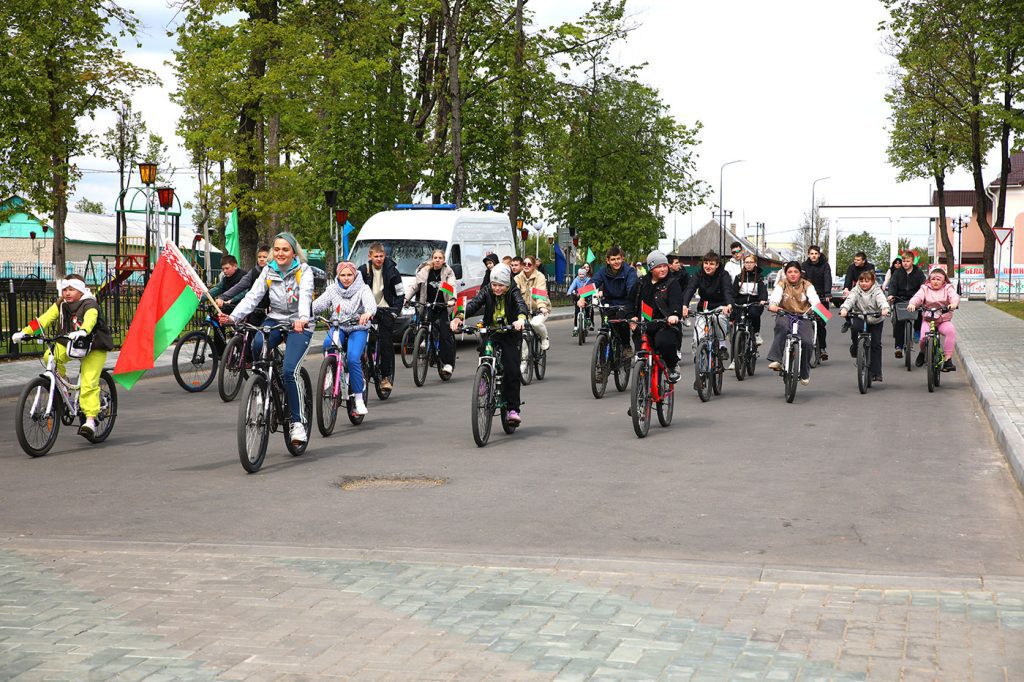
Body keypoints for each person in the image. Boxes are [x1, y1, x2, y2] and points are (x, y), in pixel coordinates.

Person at [222, 232, 314, 445]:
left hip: (299, 323)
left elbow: (306, 295)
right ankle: (268, 385)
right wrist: (233, 317)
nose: (280, 253)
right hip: (274, 319)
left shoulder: (304, 271)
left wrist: (302, 319)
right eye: (277, 249)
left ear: (293, 252)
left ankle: (298, 422)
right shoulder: (268, 270)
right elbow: (252, 297)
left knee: (291, 371)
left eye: (285, 250)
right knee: (257, 346)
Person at [12, 274, 114, 438]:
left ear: (80, 290)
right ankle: (63, 388)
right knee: (49, 357)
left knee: (88, 382)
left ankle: (89, 420)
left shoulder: (90, 304)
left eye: (71, 289)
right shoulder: (61, 304)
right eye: (64, 289)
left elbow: (90, 319)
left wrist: (83, 331)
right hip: (70, 343)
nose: (67, 293)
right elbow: (42, 320)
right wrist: (25, 332)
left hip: (94, 346)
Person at [450, 264, 528, 423]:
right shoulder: (487, 290)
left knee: (512, 370)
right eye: (494, 285)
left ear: (507, 284)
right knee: (485, 354)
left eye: (501, 285)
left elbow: (521, 304)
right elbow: (474, 304)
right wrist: (459, 317)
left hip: (510, 333)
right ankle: (484, 377)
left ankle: (512, 409)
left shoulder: (513, 290)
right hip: (491, 331)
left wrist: (520, 319)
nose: (497, 288)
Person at [314, 261, 377, 416]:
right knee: (328, 344)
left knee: (353, 358)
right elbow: (317, 305)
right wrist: (304, 313)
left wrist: (367, 313)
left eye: (349, 275)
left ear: (354, 275)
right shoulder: (332, 289)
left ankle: (358, 399)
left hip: (358, 328)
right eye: (343, 275)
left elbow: (370, 304)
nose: (346, 278)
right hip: (339, 326)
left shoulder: (363, 288)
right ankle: (331, 373)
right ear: (338, 275)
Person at [630, 251, 683, 383]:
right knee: (640, 351)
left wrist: (674, 315)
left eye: (665, 266)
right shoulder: (641, 283)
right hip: (645, 325)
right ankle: (640, 393)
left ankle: (672, 366)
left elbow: (676, 301)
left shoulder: (672, 283)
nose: (663, 269)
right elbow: (630, 302)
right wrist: (631, 317)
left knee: (664, 342)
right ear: (651, 268)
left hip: (665, 324)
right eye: (659, 266)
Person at [766, 261, 821, 386]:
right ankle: (777, 359)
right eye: (789, 272)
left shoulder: (807, 285)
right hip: (785, 314)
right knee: (781, 327)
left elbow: (815, 300)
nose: (793, 274)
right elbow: (775, 298)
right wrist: (773, 305)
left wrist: (818, 310)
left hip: (803, 317)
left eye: (795, 272)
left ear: (800, 273)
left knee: (807, 342)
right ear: (785, 273)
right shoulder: (782, 284)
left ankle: (805, 372)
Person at [358, 242, 403, 391]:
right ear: (370, 256)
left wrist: (395, 311)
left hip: (386, 310)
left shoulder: (393, 272)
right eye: (376, 256)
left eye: (381, 256)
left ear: (385, 256)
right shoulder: (363, 271)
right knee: (359, 337)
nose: (378, 259)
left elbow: (400, 294)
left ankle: (385, 377)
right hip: (367, 311)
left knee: (385, 342)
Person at [405, 249, 457, 378]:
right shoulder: (425, 272)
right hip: (427, 306)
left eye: (440, 258)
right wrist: (406, 298)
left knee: (445, 334)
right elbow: (414, 286)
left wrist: (452, 300)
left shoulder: (447, 272)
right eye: (435, 257)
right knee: (424, 326)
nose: (437, 260)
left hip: (442, 307)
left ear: (444, 260)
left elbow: (452, 287)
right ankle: (425, 341)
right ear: (432, 259)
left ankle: (447, 364)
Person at [681, 250, 734, 365]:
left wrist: (729, 304)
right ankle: (699, 367)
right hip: (703, 308)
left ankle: (722, 345)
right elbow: (690, 289)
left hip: (720, 306)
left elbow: (727, 290)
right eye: (706, 263)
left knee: (718, 318)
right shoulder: (698, 274)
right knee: (697, 340)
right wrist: (684, 305)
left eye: (711, 264)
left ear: (717, 265)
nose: (708, 266)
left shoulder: (723, 275)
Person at [587, 246, 639, 358]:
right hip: (608, 303)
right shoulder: (603, 271)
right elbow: (593, 283)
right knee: (606, 327)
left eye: (618, 259)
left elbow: (632, 288)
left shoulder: (629, 271)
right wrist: (582, 297)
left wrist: (631, 304)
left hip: (624, 302)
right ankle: (602, 362)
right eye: (613, 259)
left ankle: (626, 346)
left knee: (622, 323)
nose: (616, 262)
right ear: (608, 260)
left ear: (622, 258)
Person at [839, 270, 890, 382]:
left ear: (872, 282)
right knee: (855, 327)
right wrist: (844, 308)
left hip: (876, 318)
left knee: (876, 344)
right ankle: (856, 346)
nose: (864, 283)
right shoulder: (856, 290)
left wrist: (885, 309)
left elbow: (882, 300)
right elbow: (850, 299)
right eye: (861, 281)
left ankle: (876, 372)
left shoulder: (877, 290)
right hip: (860, 316)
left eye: (867, 281)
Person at [907, 268, 960, 372]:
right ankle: (922, 353)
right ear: (929, 280)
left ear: (944, 280)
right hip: (928, 319)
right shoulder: (924, 288)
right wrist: (912, 304)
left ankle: (947, 360)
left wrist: (954, 303)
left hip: (943, 320)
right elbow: (918, 297)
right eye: (933, 279)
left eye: (938, 279)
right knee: (923, 338)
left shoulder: (948, 288)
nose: (935, 281)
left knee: (951, 331)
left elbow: (954, 296)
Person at [729, 253, 768, 369]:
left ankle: (756, 334)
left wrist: (762, 300)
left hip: (754, 303)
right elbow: (733, 292)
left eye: (751, 262)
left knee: (754, 314)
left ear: (755, 263)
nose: (749, 264)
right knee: (736, 331)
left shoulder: (760, 277)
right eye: (746, 262)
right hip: (740, 303)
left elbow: (763, 291)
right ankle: (734, 360)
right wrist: (731, 302)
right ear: (744, 264)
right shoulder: (738, 277)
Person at [886, 252, 925, 358]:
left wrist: (923, 296)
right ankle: (898, 346)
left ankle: (917, 330)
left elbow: (923, 286)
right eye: (903, 261)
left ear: (912, 261)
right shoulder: (897, 273)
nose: (905, 263)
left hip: (915, 298)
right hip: (900, 299)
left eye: (908, 261)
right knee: (898, 323)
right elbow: (892, 285)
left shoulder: (919, 272)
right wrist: (891, 295)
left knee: (920, 312)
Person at [801, 245, 833, 361]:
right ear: (808, 255)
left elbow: (827, 278)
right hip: (808, 296)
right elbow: (802, 280)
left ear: (819, 255)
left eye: (816, 253)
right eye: (811, 254)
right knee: (804, 322)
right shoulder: (804, 266)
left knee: (821, 324)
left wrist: (828, 293)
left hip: (822, 296)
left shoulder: (825, 265)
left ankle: (823, 349)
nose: (813, 256)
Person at [515, 256, 551, 351]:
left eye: (529, 264)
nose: (526, 266)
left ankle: (544, 338)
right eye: (524, 264)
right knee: (522, 333)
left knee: (535, 323)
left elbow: (540, 293)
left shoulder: (540, 277)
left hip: (539, 309)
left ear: (534, 266)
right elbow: (514, 294)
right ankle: (524, 361)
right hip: (524, 310)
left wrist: (542, 307)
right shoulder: (517, 278)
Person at [842, 252, 875, 333]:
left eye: (858, 260)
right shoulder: (851, 267)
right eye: (855, 259)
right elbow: (848, 278)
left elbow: (872, 279)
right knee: (847, 300)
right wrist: (846, 289)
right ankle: (848, 321)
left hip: (869, 288)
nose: (855, 261)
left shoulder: (870, 266)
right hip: (856, 288)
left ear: (863, 261)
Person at [566, 268, 594, 336]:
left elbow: (592, 288)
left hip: (587, 296)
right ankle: (575, 327)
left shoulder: (588, 280)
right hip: (578, 297)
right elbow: (572, 287)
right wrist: (569, 292)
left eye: (582, 274)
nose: (581, 276)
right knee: (576, 311)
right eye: (580, 274)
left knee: (587, 308)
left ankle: (587, 318)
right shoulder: (576, 279)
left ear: (585, 275)